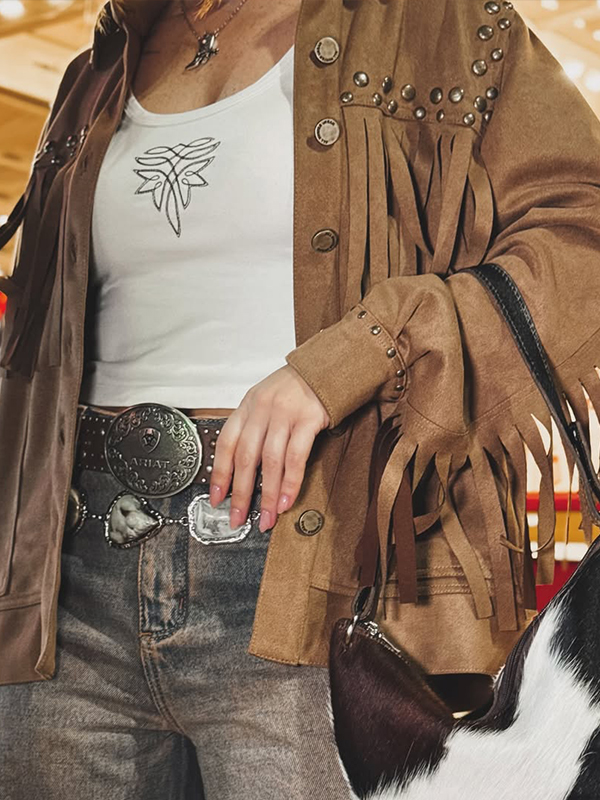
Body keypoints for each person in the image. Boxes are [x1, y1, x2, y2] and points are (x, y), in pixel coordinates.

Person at [0, 0, 600, 796]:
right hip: (67, 584)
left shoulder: (442, 26)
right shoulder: (102, 60)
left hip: (313, 574)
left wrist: (359, 354)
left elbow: (583, 231)